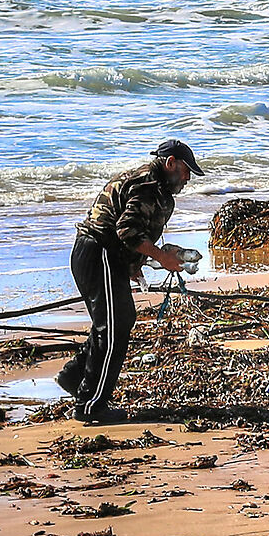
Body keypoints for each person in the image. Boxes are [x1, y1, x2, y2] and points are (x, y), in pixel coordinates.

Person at [59, 139, 200, 423]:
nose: (187, 178)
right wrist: (162, 257)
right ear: (170, 162)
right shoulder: (147, 185)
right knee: (112, 328)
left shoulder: (158, 190)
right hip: (97, 252)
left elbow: (133, 234)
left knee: (118, 321)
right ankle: (90, 405)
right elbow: (126, 231)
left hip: (104, 255)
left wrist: (138, 263)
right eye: (186, 171)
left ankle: (75, 376)